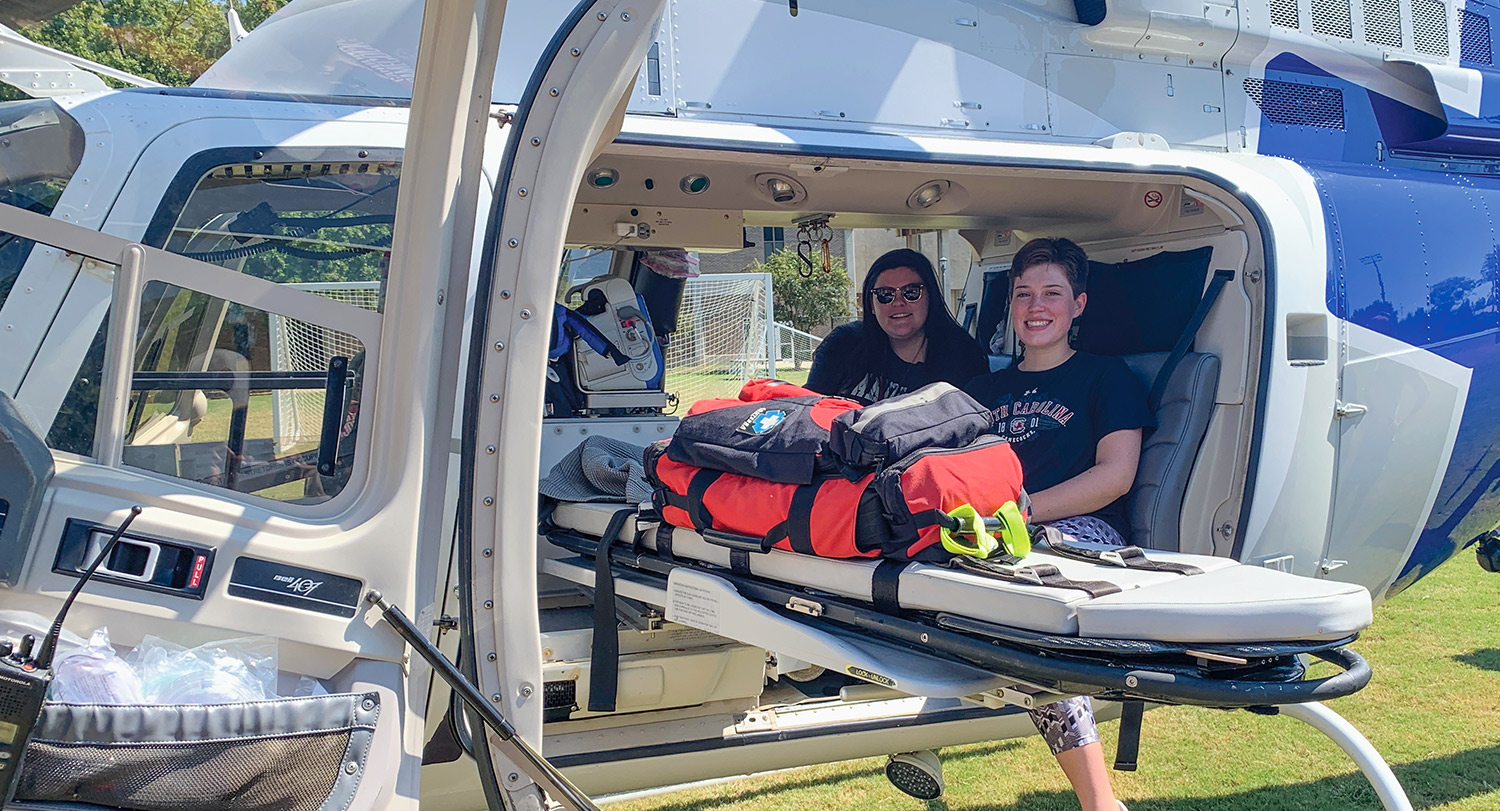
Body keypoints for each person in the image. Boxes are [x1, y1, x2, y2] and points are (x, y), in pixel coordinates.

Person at [965, 236, 1149, 811]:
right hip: (994, 539)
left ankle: (1100, 802)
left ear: (1079, 304)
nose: (1035, 306)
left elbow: (1116, 476)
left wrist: (1023, 515)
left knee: (1027, 602)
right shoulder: (982, 391)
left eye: (1052, 293)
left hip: (1085, 533)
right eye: (1023, 294)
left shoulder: (1107, 378)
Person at [805, 248, 987, 402]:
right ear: (871, 304)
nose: (898, 302)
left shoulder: (964, 359)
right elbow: (808, 409)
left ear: (930, 297)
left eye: (911, 292)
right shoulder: (843, 344)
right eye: (885, 294)